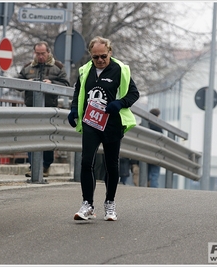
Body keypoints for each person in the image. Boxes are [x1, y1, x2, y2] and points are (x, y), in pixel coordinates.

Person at [67, 36, 140, 221]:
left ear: (110, 53)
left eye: (103, 56)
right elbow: (78, 91)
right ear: (91, 56)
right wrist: (74, 109)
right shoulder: (85, 71)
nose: (99, 60)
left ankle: (110, 203)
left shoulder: (120, 69)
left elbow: (134, 93)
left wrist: (120, 103)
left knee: (111, 165)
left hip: (112, 123)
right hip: (91, 121)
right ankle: (87, 204)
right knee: (86, 162)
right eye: (95, 57)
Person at [17, 41, 70, 177]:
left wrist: (52, 83)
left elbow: (66, 85)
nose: (40, 56)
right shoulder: (28, 68)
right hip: (31, 109)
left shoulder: (57, 67)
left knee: (47, 138)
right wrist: (25, 83)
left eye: (43, 54)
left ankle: (45, 165)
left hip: (49, 110)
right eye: (38, 53)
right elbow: (17, 84)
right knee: (31, 138)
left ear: (48, 53)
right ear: (35, 53)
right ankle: (34, 166)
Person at [147, 108, 163, 188]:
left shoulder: (144, 124)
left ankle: (144, 187)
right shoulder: (158, 126)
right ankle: (154, 189)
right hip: (155, 153)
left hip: (144, 152)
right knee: (154, 173)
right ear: (157, 116)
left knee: (146, 172)